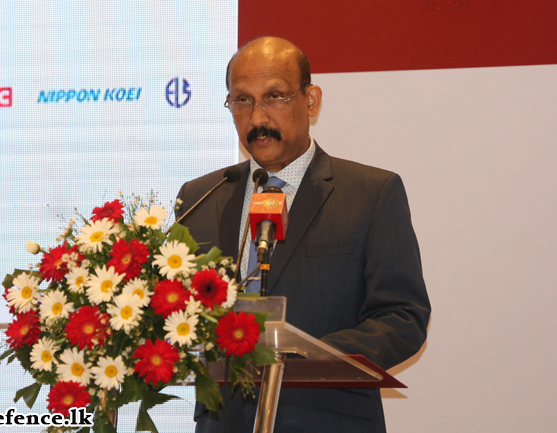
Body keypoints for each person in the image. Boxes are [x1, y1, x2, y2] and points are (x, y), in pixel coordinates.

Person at [175, 36, 431, 433]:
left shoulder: (370, 193)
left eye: (274, 96)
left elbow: (402, 318)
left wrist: (298, 358)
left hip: (327, 420)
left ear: (310, 101)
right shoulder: (200, 197)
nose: (257, 117)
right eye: (242, 100)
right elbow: (174, 310)